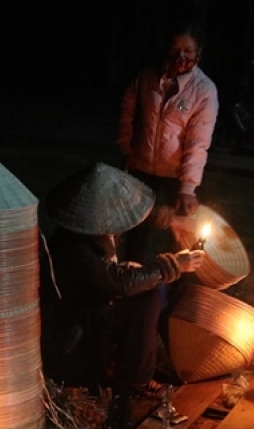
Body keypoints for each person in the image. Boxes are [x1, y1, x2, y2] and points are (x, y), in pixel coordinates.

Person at [39, 162, 204, 398]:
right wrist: (174, 265)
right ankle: (136, 381)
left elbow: (137, 219)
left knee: (151, 290)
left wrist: (171, 221)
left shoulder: (92, 231)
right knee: (148, 295)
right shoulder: (75, 245)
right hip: (76, 327)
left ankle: (132, 367)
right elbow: (120, 283)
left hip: (94, 307)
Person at [117, 20, 219, 262]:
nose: (181, 56)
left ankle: (178, 280)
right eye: (175, 50)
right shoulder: (147, 78)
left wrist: (188, 187)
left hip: (177, 174)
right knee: (137, 228)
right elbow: (127, 112)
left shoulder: (204, 90)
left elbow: (198, 141)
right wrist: (126, 149)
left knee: (182, 234)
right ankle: (131, 275)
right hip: (141, 167)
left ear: (198, 53)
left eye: (188, 51)